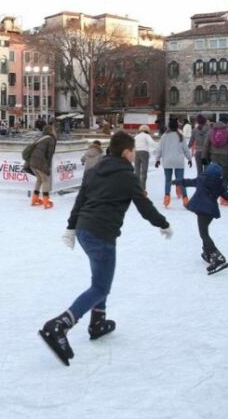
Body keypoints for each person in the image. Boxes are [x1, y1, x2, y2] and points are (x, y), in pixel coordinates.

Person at [39, 130, 172, 366]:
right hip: (101, 235)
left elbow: (81, 200)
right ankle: (59, 325)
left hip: (84, 231)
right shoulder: (127, 176)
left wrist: (71, 228)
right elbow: (144, 205)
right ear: (126, 151)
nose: (133, 156)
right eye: (132, 152)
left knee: (99, 280)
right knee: (101, 286)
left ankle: (98, 321)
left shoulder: (93, 171)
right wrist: (163, 223)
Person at [180, 164, 228, 275]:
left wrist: (178, 182)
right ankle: (208, 253)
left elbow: (189, 182)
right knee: (204, 232)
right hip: (210, 212)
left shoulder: (201, 179)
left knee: (204, 234)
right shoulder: (218, 185)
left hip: (202, 211)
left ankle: (218, 256)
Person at [199, 118, 228, 205]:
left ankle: (212, 197)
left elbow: (206, 144)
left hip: (214, 157)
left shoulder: (211, 131)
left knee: (214, 178)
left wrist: (203, 157)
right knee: (225, 177)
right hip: (225, 157)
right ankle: (224, 199)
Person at [154, 118, 192, 208]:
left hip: (167, 161)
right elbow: (186, 149)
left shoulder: (164, 136)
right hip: (178, 161)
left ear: (169, 126)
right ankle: (185, 199)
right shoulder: (181, 136)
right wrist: (189, 159)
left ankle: (167, 198)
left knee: (168, 180)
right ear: (177, 126)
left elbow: (159, 149)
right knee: (181, 180)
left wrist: (157, 159)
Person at [29, 124, 57, 209]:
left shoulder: (41, 138)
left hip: (32, 162)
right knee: (46, 180)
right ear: (51, 131)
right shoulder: (50, 139)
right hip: (40, 162)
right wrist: (48, 166)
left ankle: (35, 199)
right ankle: (46, 201)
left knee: (39, 179)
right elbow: (49, 154)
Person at [133, 126, 157, 192]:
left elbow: (132, 144)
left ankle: (136, 187)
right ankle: (142, 188)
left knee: (137, 171)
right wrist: (158, 147)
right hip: (144, 153)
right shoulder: (146, 136)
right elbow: (152, 143)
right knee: (144, 171)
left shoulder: (136, 136)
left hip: (137, 153)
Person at [190, 114, 210, 179]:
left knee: (199, 171)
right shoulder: (209, 129)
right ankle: (206, 186)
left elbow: (191, 142)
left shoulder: (194, 130)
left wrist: (184, 149)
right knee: (207, 171)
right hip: (207, 152)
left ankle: (200, 186)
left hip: (198, 152)